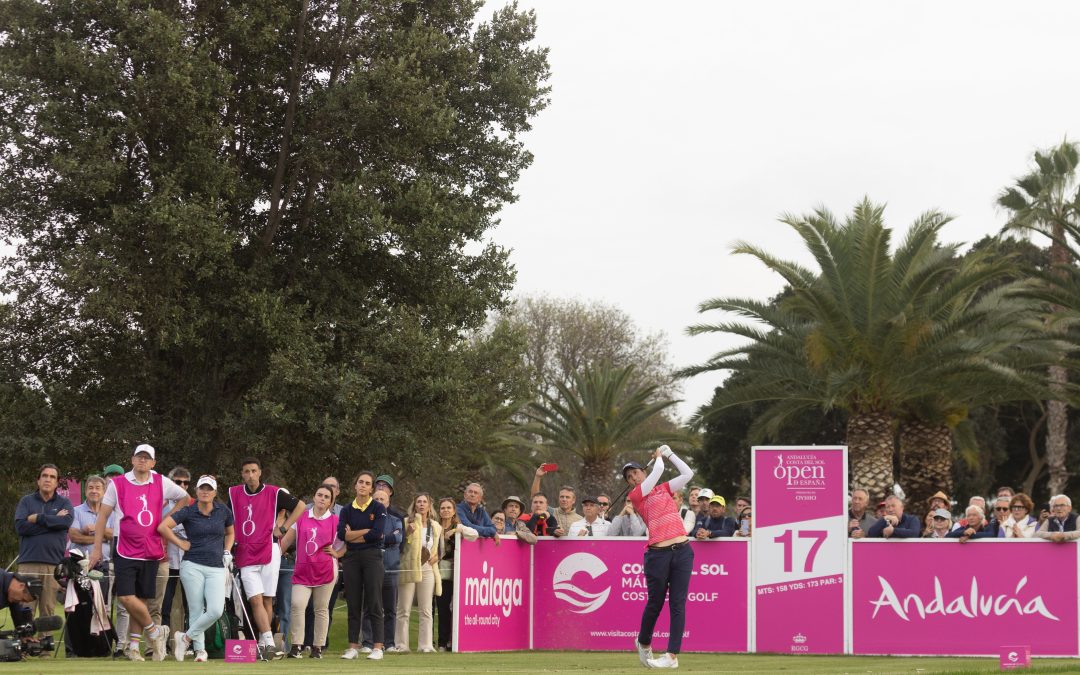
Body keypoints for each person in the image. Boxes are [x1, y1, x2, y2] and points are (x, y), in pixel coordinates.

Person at [89, 444, 190, 661]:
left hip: (150, 548)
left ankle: (134, 646)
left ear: (153, 463)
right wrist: (97, 549)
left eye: (147, 458)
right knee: (126, 597)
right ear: (132, 460)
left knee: (141, 599)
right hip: (124, 548)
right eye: (139, 457)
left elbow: (184, 498)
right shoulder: (118, 483)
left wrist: (166, 520)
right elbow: (103, 517)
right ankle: (155, 632)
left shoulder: (161, 481)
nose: (143, 461)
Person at [624, 445, 694, 670]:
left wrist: (670, 453)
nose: (633, 477)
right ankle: (643, 642)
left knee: (678, 603)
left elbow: (687, 474)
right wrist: (659, 459)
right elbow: (657, 472)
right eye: (629, 476)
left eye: (635, 472)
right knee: (655, 603)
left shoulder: (664, 489)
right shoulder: (636, 495)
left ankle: (672, 655)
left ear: (642, 472)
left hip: (682, 551)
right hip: (657, 555)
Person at [229, 457, 306, 660]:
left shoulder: (274, 492)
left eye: (254, 471)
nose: (250, 475)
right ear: (242, 474)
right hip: (245, 551)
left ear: (260, 472)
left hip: (269, 549)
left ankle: (264, 642)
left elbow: (300, 506)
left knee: (266, 600)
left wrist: (282, 528)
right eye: (246, 471)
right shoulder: (234, 493)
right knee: (254, 599)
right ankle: (270, 643)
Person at [157, 475, 234, 663]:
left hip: (216, 566)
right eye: (202, 488)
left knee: (215, 610)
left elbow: (230, 532)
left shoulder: (223, 510)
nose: (205, 492)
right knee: (196, 609)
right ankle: (200, 651)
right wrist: (180, 543)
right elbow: (163, 526)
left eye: (209, 489)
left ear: (215, 492)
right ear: (197, 491)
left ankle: (185, 638)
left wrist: (227, 550)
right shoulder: (188, 511)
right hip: (192, 565)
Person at [280, 483, 343, 660]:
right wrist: (274, 556)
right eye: (319, 495)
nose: (322, 499)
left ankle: (317, 647)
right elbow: (285, 541)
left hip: (326, 570)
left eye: (326, 497)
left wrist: (338, 553)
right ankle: (297, 646)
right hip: (303, 569)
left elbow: (348, 541)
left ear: (331, 502)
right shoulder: (301, 517)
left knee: (321, 609)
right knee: (297, 604)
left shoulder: (335, 521)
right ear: (314, 497)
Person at [15, 463, 74, 632]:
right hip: (29, 563)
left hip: (53, 565)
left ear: (57, 482)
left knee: (47, 609)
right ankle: (25, 645)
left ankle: (44, 649)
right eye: (44, 476)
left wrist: (38, 518)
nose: (48, 479)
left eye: (52, 477)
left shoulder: (65, 502)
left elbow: (66, 522)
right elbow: (21, 527)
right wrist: (52, 520)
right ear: (38, 481)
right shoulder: (26, 501)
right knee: (26, 608)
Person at [338, 471, 386, 661]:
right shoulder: (347, 509)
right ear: (355, 485)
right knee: (354, 603)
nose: (363, 485)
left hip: (372, 558)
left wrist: (354, 535)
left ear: (372, 488)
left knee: (374, 602)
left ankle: (377, 647)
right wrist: (364, 533)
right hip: (351, 558)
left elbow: (377, 534)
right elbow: (342, 534)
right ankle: (352, 647)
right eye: (361, 482)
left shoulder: (378, 507)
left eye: (367, 483)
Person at [396, 493, 442, 653]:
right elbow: (399, 546)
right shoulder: (405, 522)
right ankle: (401, 645)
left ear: (430, 506)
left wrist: (437, 556)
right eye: (419, 502)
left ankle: (426, 645)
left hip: (428, 568)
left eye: (425, 502)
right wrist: (407, 532)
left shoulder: (436, 526)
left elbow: (439, 548)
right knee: (403, 608)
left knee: (426, 608)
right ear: (414, 505)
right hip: (409, 566)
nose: (421, 505)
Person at [303, 476, 344, 653]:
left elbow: (347, 538)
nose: (328, 491)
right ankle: (305, 642)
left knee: (324, 607)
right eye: (322, 491)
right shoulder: (305, 510)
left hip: (329, 567)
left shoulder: (342, 513)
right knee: (305, 606)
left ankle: (320, 644)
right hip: (307, 567)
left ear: (337, 492)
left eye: (332, 487)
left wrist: (338, 553)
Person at [363, 488, 401, 654]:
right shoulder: (365, 520)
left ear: (388, 502)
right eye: (376, 499)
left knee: (390, 609)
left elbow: (398, 538)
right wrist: (386, 538)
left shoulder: (395, 520)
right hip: (371, 570)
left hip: (391, 570)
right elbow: (364, 539)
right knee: (369, 607)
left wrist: (377, 537)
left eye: (382, 499)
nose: (379, 501)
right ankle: (367, 642)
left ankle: (389, 643)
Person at [160, 467, 192, 638]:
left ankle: (190, 641)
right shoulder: (161, 504)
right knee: (165, 604)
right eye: (178, 482)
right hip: (168, 559)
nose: (182, 485)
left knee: (190, 604)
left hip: (189, 560)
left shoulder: (194, 504)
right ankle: (163, 642)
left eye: (186, 483)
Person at [435, 498, 459, 652]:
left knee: (451, 609)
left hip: (453, 573)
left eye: (449, 507)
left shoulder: (458, 527)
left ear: (454, 511)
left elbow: (473, 534)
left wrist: (456, 531)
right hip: (435, 571)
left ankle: (449, 642)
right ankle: (436, 643)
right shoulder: (434, 527)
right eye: (442, 507)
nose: (445, 510)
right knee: (438, 609)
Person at [531, 466, 583, 536]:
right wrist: (538, 477)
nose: (564, 499)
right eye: (562, 497)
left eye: (567, 497)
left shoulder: (580, 519)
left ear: (573, 500)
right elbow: (536, 497)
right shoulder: (550, 512)